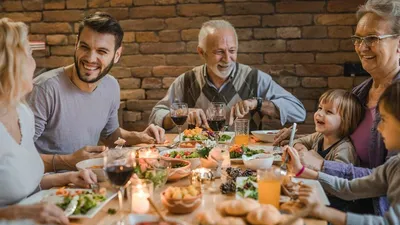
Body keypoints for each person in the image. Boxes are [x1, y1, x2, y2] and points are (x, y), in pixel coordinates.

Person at [273, 0, 400, 215]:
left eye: (372, 38)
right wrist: (298, 138)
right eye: (358, 39)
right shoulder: (359, 93)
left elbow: (388, 180)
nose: (361, 47)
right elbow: (338, 135)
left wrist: (323, 165)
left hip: (371, 214)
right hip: (340, 198)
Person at [27, 12, 165, 173]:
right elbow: (14, 155)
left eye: (101, 51)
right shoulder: (44, 89)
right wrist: (67, 161)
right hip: (44, 188)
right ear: (76, 45)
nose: (91, 58)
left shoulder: (111, 86)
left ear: (117, 55)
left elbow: (110, 136)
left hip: (87, 183)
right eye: (85, 47)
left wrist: (140, 136)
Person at [0, 18, 96, 225]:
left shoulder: (22, 113)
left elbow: (21, 184)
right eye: (29, 54)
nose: (35, 64)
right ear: (11, 64)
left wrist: (68, 178)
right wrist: (13, 214)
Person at [149, 20, 306, 131]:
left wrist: (257, 104)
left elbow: (299, 112)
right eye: (219, 52)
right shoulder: (186, 81)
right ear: (201, 52)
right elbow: (155, 115)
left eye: (232, 51)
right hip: (199, 160)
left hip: (245, 159)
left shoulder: (255, 78)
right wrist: (180, 113)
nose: (227, 59)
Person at [284, 81, 400, 225]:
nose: (379, 128)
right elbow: (349, 187)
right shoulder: (394, 165)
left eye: (384, 120)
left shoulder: (346, 148)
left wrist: (323, 211)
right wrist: (302, 170)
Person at [292, 89, 363, 164]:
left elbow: (341, 172)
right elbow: (298, 141)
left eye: (329, 112)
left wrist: (316, 161)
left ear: (345, 121)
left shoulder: (345, 149)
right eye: (320, 108)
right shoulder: (319, 136)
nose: (319, 113)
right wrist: (303, 151)